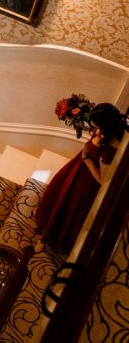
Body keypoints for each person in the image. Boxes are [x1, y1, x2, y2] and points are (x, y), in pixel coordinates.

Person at [35, 102, 126, 255]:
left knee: (68, 207)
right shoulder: (114, 129)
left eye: (97, 124)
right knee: (58, 195)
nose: (95, 128)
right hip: (76, 170)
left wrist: (87, 160)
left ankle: (49, 237)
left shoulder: (111, 145)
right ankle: (45, 227)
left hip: (86, 183)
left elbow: (103, 180)